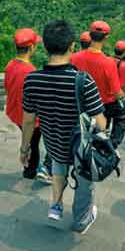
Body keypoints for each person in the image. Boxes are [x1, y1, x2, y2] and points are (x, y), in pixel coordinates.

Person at [21, 20, 107, 233]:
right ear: (72, 46)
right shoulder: (83, 81)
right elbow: (101, 121)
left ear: (45, 46)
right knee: (84, 182)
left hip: (53, 141)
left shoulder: (32, 79)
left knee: (58, 171)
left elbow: (29, 120)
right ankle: (81, 220)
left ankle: (56, 205)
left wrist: (25, 148)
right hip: (80, 147)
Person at [71, 20, 125, 149]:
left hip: (80, 104)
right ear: (106, 38)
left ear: (90, 35)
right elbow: (116, 91)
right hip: (103, 107)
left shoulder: (74, 57)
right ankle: (111, 146)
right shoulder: (108, 62)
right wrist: (124, 96)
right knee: (122, 117)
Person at [4, 28, 51, 181]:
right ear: (31, 47)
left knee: (30, 141)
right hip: (29, 118)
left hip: (15, 113)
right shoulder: (31, 71)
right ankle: (30, 171)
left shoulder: (10, 65)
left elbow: (8, 87)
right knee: (34, 143)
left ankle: (29, 164)